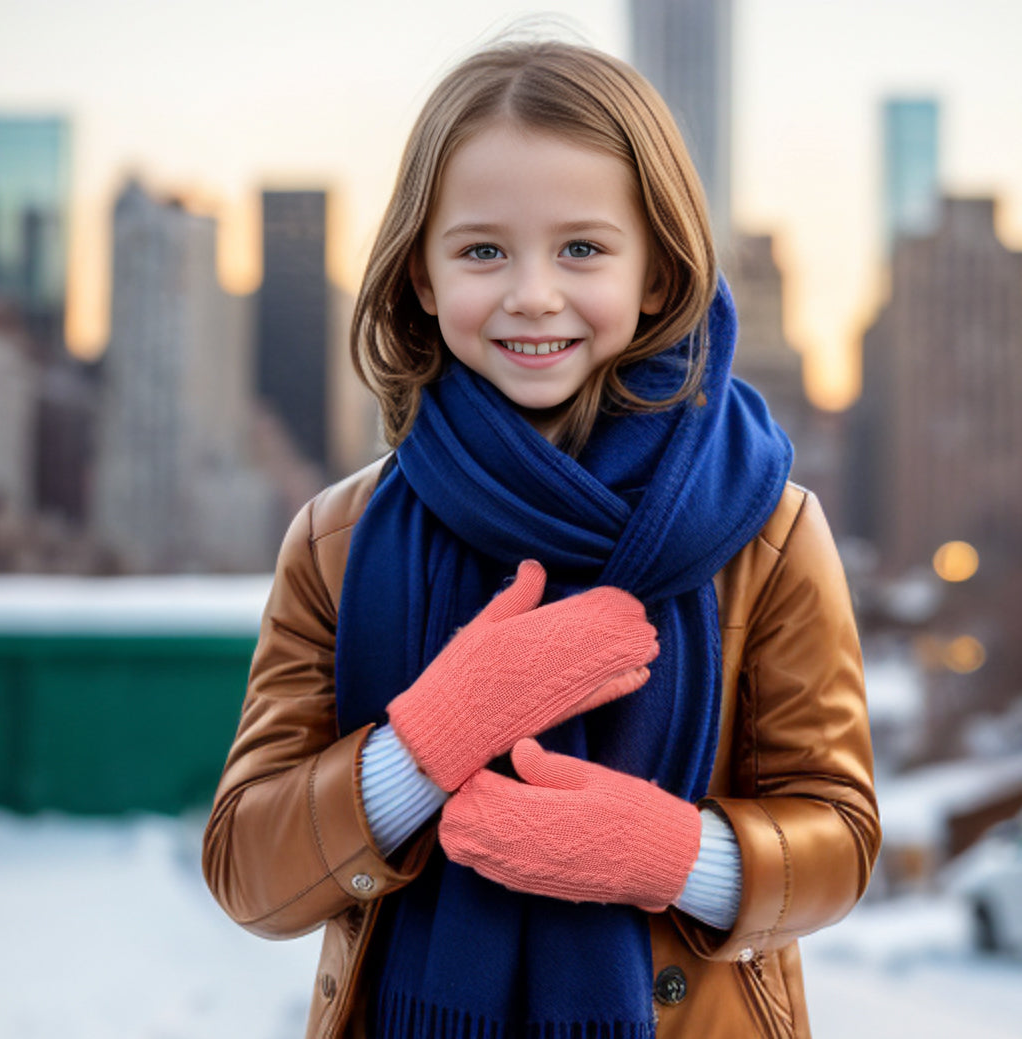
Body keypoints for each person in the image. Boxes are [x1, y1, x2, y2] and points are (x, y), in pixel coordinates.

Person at [203, 38, 880, 1039]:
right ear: (421, 276)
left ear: (657, 273)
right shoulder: (335, 539)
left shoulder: (768, 532)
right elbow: (248, 872)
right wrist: (424, 744)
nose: (531, 293)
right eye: (482, 251)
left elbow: (842, 838)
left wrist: (673, 855)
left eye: (582, 249)